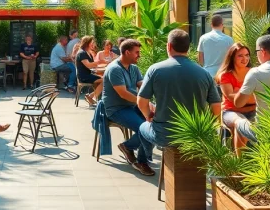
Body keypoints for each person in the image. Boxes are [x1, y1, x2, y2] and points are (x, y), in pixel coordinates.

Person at [137, 29, 221, 176]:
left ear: (169, 46)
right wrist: (207, 129)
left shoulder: (155, 69)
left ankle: (143, 162)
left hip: (165, 135)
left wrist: (148, 116)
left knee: (143, 127)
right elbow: (216, 106)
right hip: (196, 135)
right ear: (188, 48)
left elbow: (141, 101)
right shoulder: (204, 73)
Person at [102, 39, 154, 175]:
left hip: (132, 106)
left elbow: (142, 86)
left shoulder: (133, 68)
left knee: (155, 122)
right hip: (117, 109)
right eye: (137, 52)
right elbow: (123, 94)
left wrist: (153, 97)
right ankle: (141, 161)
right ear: (127, 52)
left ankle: (127, 146)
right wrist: (144, 103)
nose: (139, 55)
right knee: (145, 128)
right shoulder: (114, 69)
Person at [216, 43, 255, 154]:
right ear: (232, 57)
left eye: (247, 55)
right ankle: (239, 161)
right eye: (240, 56)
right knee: (241, 123)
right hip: (230, 112)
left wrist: (238, 92)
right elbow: (232, 99)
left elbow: (260, 96)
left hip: (253, 110)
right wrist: (250, 96)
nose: (245, 59)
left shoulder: (253, 72)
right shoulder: (225, 75)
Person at [76, 36, 107, 106]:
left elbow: (93, 66)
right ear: (87, 43)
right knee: (105, 80)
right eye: (92, 43)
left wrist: (102, 67)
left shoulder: (88, 53)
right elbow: (89, 65)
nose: (93, 44)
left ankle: (93, 98)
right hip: (84, 76)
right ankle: (91, 97)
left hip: (89, 74)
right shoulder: (82, 53)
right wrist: (99, 62)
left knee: (104, 79)